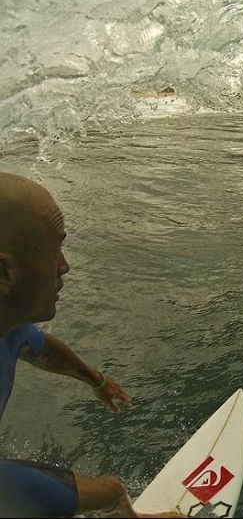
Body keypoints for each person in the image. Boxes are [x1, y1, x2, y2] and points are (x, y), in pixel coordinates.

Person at [0, 172, 182, 518]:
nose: (65, 267)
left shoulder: (8, 326)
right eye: (53, 253)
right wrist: (110, 496)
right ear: (4, 272)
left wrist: (96, 380)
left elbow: (40, 347)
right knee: (108, 491)